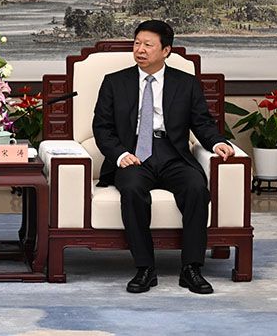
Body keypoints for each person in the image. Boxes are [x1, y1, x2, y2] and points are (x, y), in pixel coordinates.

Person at [92, 20, 234, 294]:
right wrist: (120, 155)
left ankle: (191, 268)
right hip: (133, 153)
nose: (140, 50)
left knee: (196, 188)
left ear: (166, 50)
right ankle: (145, 268)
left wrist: (217, 142)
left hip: (173, 152)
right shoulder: (114, 82)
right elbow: (102, 128)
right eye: (137, 43)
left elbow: (202, 123)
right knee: (132, 189)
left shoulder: (186, 83)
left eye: (148, 45)